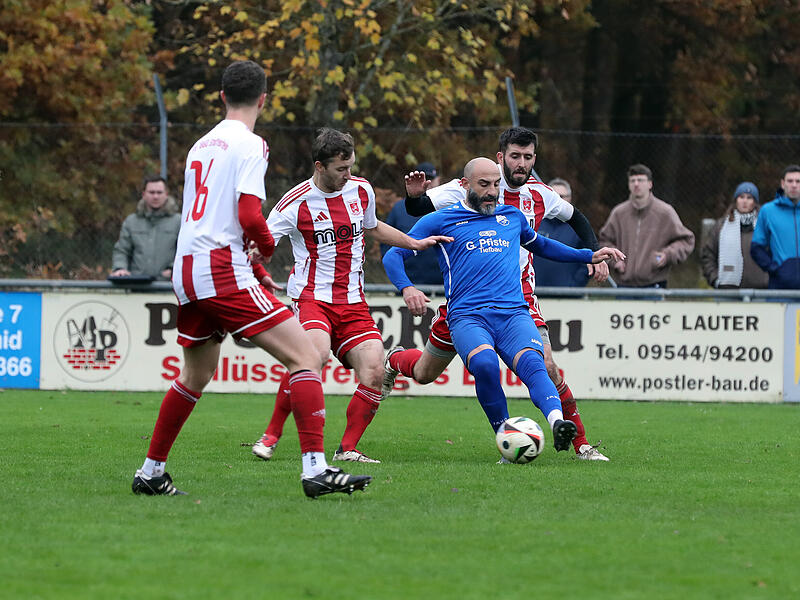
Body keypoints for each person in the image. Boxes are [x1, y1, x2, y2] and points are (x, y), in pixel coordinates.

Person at [131, 61, 372, 499]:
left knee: (196, 374)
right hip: (221, 270)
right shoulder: (251, 145)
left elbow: (211, 219)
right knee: (306, 357)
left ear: (222, 97)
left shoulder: (200, 146)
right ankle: (316, 469)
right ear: (264, 99)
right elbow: (246, 217)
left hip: (188, 268)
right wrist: (264, 245)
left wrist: (256, 267)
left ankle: (151, 471)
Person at [382, 127, 612, 460]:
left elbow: (548, 242)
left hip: (516, 304)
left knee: (540, 364)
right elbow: (407, 230)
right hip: (464, 310)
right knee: (429, 373)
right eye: (485, 185)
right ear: (499, 159)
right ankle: (397, 361)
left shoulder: (519, 211)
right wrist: (407, 287)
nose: (492, 192)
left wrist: (591, 254)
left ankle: (569, 435)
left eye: (528, 157)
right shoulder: (448, 211)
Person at [250, 128, 451, 464]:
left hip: (353, 301)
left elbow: (373, 227)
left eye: (351, 167)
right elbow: (262, 242)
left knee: (373, 369)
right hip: (312, 298)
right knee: (314, 358)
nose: (348, 175)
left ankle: (347, 449)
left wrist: (412, 242)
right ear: (319, 166)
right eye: (341, 169)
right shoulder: (294, 202)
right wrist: (257, 268)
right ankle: (271, 435)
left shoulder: (361, 190)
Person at [598, 164, 695, 288]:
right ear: (628, 184)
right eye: (632, 180)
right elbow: (604, 240)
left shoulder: (665, 212)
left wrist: (667, 255)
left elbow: (687, 240)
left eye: (641, 180)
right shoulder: (619, 213)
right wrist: (614, 260)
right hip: (624, 285)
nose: (636, 184)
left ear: (650, 184)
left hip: (654, 285)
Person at [379, 162, 443, 286]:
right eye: (423, 180)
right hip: (409, 283)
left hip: (444, 283)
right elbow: (386, 243)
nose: (427, 184)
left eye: (430, 179)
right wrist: (399, 276)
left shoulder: (448, 207)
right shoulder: (399, 209)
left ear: (438, 180)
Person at [110, 175, 181, 280]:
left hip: (169, 287)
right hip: (137, 285)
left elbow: (186, 251)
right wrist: (120, 268)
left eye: (159, 192)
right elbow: (122, 250)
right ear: (144, 194)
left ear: (166, 194)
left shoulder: (179, 222)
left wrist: (173, 269)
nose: (155, 196)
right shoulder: (131, 222)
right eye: (152, 192)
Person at [701, 181, 768, 289]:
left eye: (749, 197)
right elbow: (708, 256)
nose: (745, 201)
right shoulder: (720, 227)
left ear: (755, 202)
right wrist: (715, 280)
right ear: (736, 200)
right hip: (728, 290)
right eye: (741, 197)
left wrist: (769, 279)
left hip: (761, 290)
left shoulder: (765, 227)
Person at [532, 178, 592, 288]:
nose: (558, 200)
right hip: (534, 293)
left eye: (562, 196)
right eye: (555, 196)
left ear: (570, 199)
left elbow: (589, 258)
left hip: (568, 296)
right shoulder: (534, 222)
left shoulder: (579, 227)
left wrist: (574, 285)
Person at [751, 165, 800, 289]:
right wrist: (775, 269)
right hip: (779, 288)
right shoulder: (768, 211)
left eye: (798, 181)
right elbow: (756, 248)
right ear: (783, 184)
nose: (794, 185)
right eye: (790, 181)